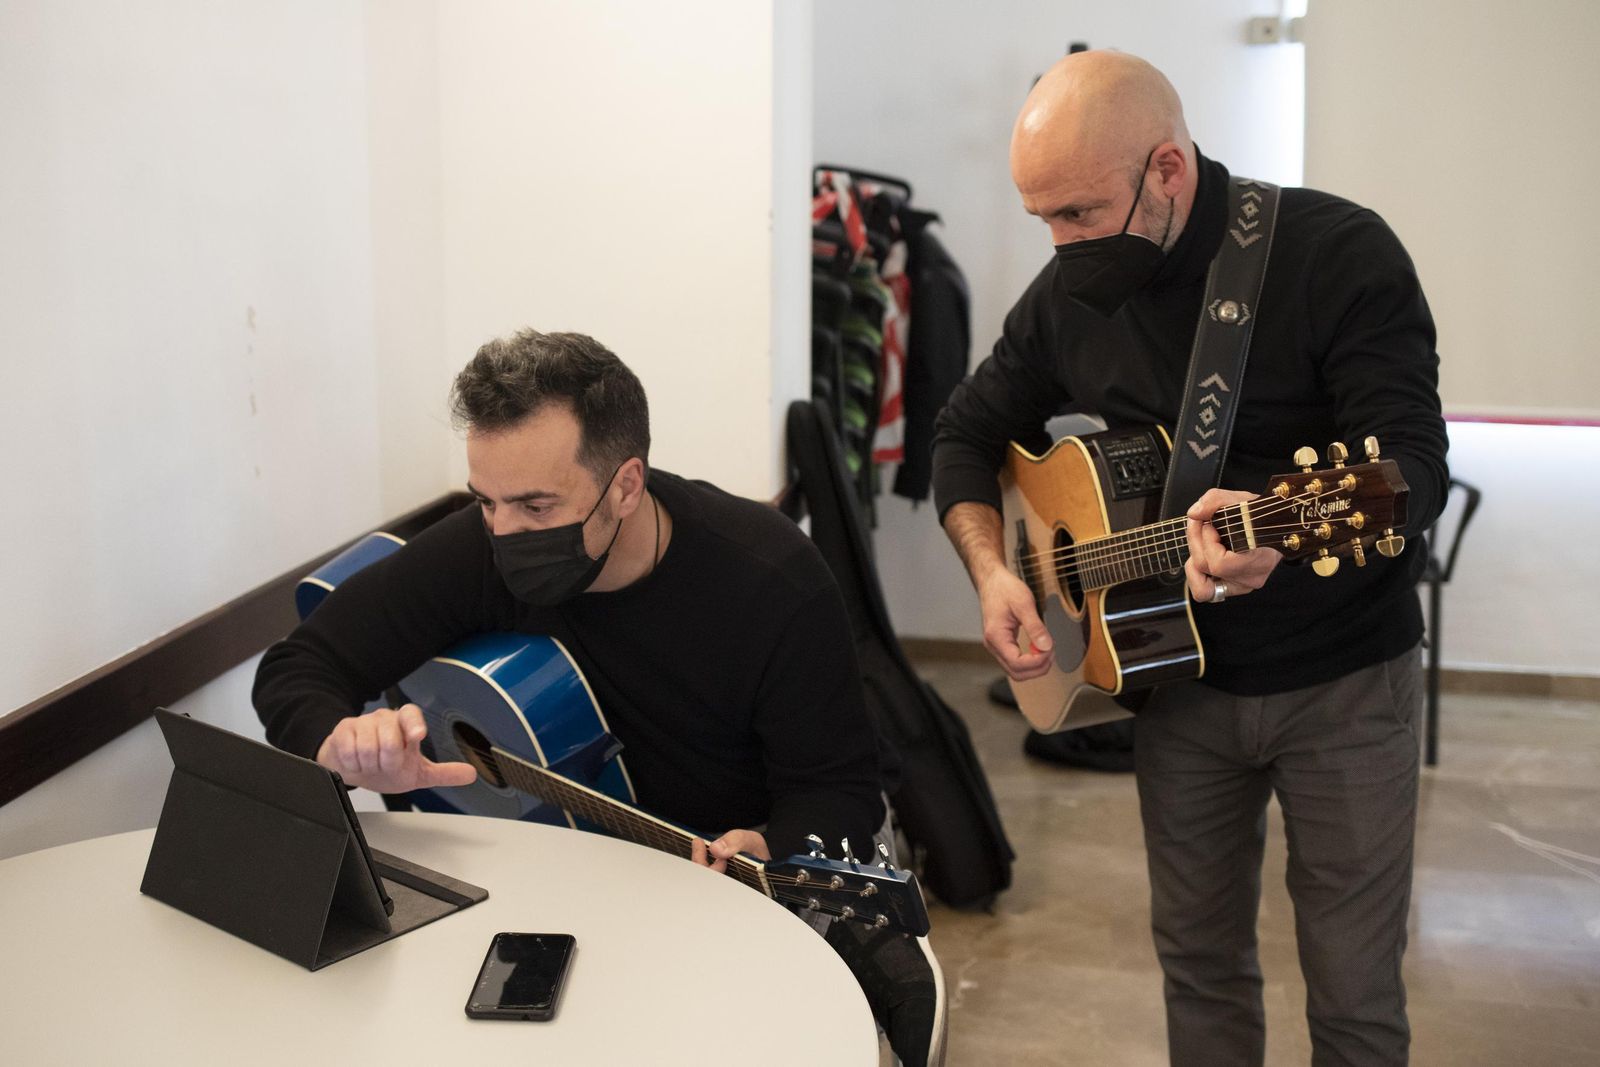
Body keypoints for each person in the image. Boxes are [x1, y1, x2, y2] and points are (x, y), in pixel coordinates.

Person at [932, 52, 1447, 1066]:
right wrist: (995, 571)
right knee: (1198, 965)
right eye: (1041, 217)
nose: (1059, 243)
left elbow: (1405, 474)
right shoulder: (1068, 293)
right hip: (1175, 685)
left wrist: (1278, 542)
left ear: (1166, 168)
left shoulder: (1337, 254)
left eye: (1077, 213)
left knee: (1351, 990)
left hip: (1342, 684)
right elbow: (962, 432)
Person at [253, 329, 937, 1064]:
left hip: (722, 892)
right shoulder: (482, 548)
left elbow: (839, 789)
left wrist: (767, 844)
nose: (505, 532)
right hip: (567, 879)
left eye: (537, 507)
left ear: (626, 484)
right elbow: (299, 664)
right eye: (487, 502)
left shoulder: (772, 581)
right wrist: (341, 744)